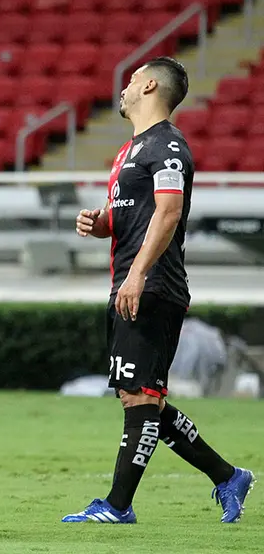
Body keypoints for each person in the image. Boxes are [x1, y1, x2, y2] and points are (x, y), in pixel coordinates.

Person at [64, 56, 254, 524]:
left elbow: (169, 213)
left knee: (141, 397)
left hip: (151, 285)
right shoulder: (132, 150)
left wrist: (138, 274)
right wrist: (102, 222)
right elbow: (134, 214)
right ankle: (229, 477)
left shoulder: (168, 147)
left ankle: (117, 506)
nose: (124, 88)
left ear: (149, 86)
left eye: (130, 80)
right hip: (132, 281)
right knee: (142, 396)